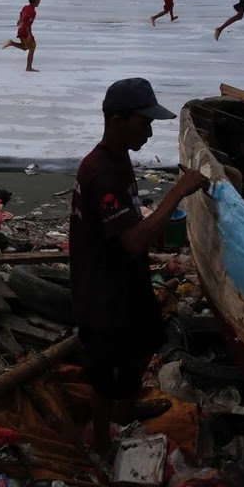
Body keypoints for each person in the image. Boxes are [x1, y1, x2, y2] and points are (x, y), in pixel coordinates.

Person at [69, 78, 209, 455]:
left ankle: (122, 411)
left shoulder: (116, 159)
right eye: (142, 123)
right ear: (117, 120)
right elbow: (131, 239)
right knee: (105, 372)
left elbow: (127, 226)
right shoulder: (101, 171)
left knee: (141, 344)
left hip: (124, 281)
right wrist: (177, 192)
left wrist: (157, 227)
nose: (149, 132)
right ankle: (102, 441)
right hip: (104, 291)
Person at [1, 0, 40, 72]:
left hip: (20, 30)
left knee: (25, 47)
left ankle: (11, 43)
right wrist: (29, 35)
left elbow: (21, 14)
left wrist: (19, 20)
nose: (39, 2)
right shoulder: (32, 12)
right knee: (32, 47)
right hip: (25, 31)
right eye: (39, 0)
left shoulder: (26, 7)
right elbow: (27, 24)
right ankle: (28, 68)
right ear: (35, 0)